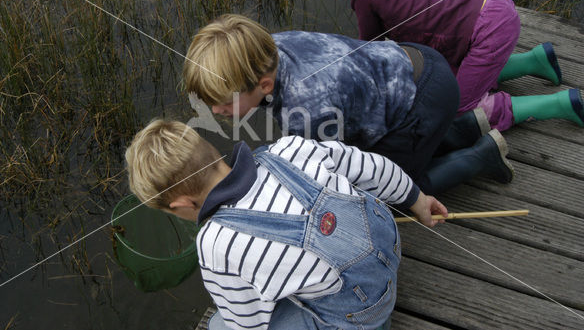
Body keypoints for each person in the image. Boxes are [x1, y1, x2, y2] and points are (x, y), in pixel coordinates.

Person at [125, 119, 449, 329]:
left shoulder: (214, 243)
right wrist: (416, 200)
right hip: (388, 256)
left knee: (219, 325)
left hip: (358, 314)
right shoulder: (289, 148)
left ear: (181, 204)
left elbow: (247, 323)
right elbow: (369, 167)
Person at [183, 14, 513, 196]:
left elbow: (336, 167)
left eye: (223, 103)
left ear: (263, 85)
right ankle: (469, 126)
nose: (216, 112)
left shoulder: (307, 108)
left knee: (389, 190)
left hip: (421, 100)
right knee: (394, 148)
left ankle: (482, 157)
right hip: (416, 61)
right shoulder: (268, 49)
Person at [309, 0, 584, 134]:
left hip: (487, 28)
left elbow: (369, 47)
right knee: (458, 66)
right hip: (488, 5)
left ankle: (557, 104)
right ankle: (535, 61)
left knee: (458, 106)